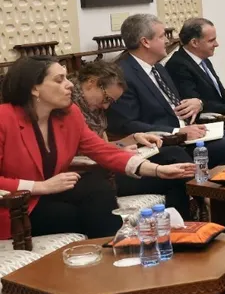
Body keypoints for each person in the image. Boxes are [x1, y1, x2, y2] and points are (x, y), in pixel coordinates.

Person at [0, 57, 193, 239]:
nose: (69, 84)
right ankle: (121, 248)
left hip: (52, 193)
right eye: (59, 80)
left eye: (66, 78)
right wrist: (41, 187)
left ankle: (122, 246)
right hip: (15, 207)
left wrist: (158, 170)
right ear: (34, 88)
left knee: (97, 188)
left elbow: (104, 151)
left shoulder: (69, 114)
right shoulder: (4, 118)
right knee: (79, 213)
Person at [108, 13, 225, 166]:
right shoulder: (122, 76)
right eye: (162, 36)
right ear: (145, 42)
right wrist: (177, 131)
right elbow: (127, 125)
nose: (167, 41)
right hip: (167, 142)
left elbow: (178, 103)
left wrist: (197, 104)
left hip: (190, 131)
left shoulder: (158, 68)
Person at [71, 60, 194, 217]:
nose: (106, 107)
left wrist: (133, 139)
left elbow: (102, 146)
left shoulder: (94, 110)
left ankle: (194, 212)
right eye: (107, 98)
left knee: (174, 153)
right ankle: (197, 209)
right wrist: (121, 153)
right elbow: (85, 154)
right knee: (175, 178)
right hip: (95, 174)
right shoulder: (70, 110)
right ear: (91, 83)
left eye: (111, 102)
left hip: (106, 164)